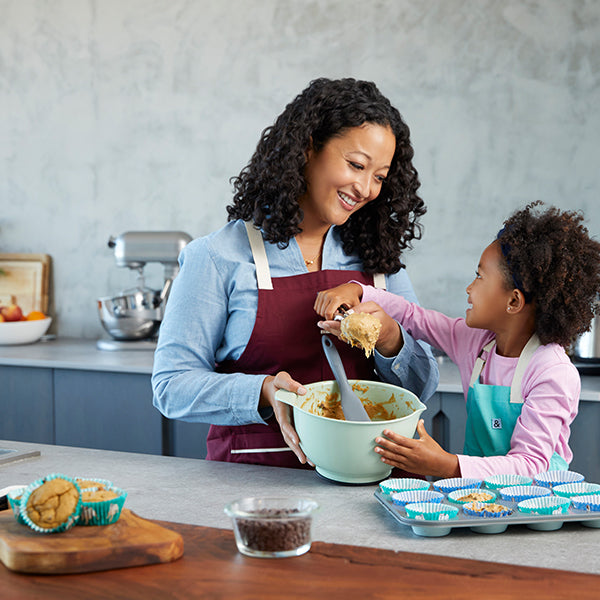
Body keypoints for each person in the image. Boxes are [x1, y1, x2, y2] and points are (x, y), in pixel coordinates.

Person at [152, 77, 439, 468]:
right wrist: (264, 390)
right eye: (356, 165)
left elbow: (423, 387)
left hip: (368, 485)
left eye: (379, 177)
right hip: (254, 486)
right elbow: (170, 387)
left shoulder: (377, 262)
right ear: (307, 149)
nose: (366, 188)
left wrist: (391, 339)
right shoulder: (217, 257)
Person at [315, 202, 600, 478]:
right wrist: (360, 293)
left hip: (537, 508)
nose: (469, 288)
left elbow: (530, 465)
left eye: (479, 277)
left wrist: (448, 466)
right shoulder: (474, 342)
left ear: (513, 301)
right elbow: (414, 316)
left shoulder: (553, 372)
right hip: (479, 499)